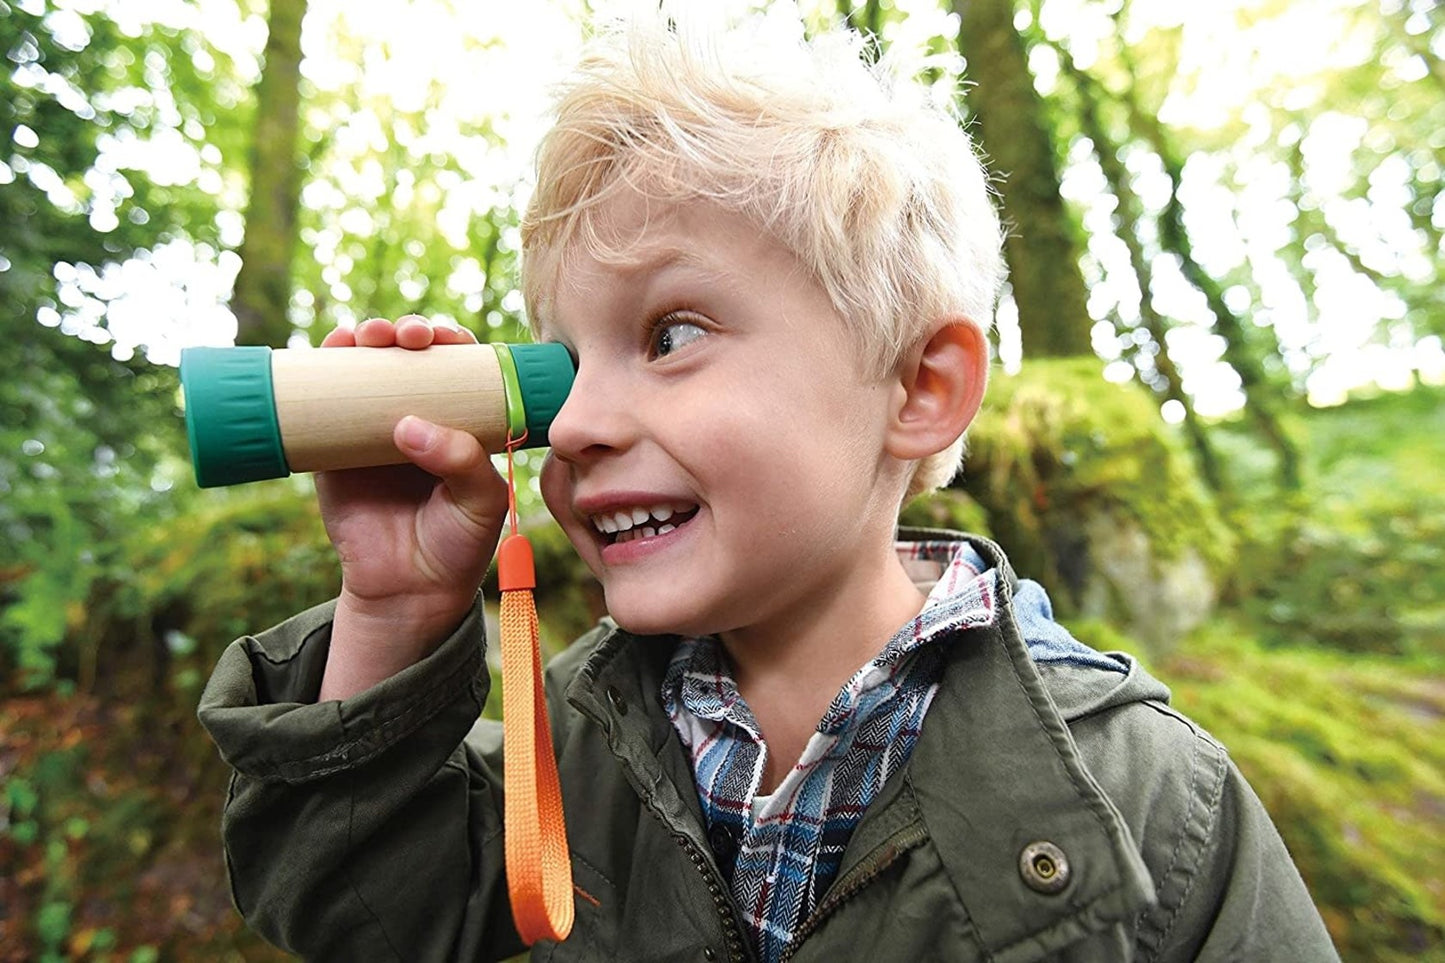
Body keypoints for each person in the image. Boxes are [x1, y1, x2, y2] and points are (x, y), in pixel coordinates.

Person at [197, 5, 1339, 961]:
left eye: (670, 333)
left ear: (915, 386)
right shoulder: (566, 758)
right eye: (558, 371)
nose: (579, 424)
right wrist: (391, 610)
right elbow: (356, 912)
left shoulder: (1145, 806)